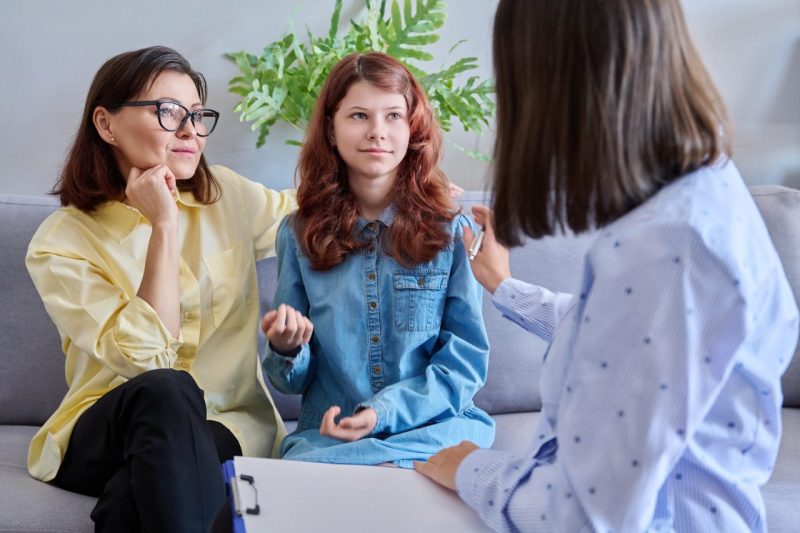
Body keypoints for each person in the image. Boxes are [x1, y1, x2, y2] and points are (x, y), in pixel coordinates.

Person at [414, 1, 799, 532]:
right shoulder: (702, 189)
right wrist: (505, 289)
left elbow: (583, 517)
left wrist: (472, 470)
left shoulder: (669, 247)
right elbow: (625, 339)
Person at [25, 46, 296, 532]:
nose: (191, 130)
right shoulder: (62, 241)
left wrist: (410, 186)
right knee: (168, 388)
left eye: (197, 114)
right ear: (106, 125)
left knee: (132, 498)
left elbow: (316, 212)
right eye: (169, 112)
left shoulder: (231, 196)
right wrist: (164, 226)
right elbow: (147, 362)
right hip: (104, 431)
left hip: (224, 427)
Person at [260, 52, 495, 468]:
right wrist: (285, 348)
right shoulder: (298, 235)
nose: (377, 132)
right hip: (331, 441)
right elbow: (289, 382)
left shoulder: (451, 232)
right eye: (358, 116)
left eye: (393, 117)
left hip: (434, 432)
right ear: (331, 129)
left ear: (412, 128)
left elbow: (464, 365)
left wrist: (382, 413)